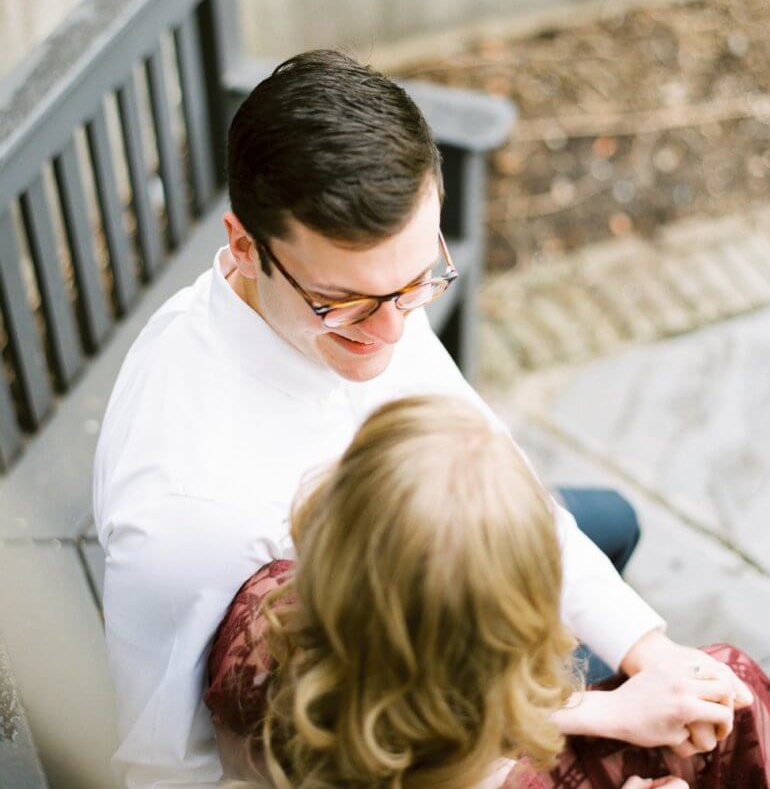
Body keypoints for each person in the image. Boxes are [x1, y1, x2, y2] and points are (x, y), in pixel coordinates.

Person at [93, 51, 749, 788]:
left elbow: (507, 484)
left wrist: (648, 653)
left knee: (618, 528)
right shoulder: (191, 517)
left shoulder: (364, 292)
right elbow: (163, 774)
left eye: (416, 283)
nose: (391, 335)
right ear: (245, 248)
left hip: (437, 615)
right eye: (343, 304)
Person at [204, 395, 769, 789]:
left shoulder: (269, 614)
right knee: (731, 687)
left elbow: (425, 709)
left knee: (616, 522)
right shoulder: (476, 768)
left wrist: (606, 711)